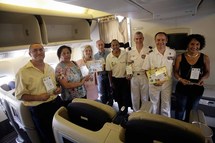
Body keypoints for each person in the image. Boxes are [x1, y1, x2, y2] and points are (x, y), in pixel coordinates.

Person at [15, 43, 63, 143]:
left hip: (56, 102)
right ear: (29, 53)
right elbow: (20, 96)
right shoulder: (22, 72)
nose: (39, 52)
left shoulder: (49, 68)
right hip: (40, 109)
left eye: (41, 50)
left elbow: (55, 85)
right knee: (48, 136)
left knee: (61, 131)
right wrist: (38, 97)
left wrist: (58, 89)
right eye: (35, 50)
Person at [174, 34, 210, 122]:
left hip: (197, 88)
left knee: (192, 110)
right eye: (192, 44)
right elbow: (175, 72)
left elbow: (207, 72)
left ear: (200, 45)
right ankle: (177, 126)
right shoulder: (180, 57)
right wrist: (180, 79)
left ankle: (189, 128)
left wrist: (202, 79)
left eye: (197, 44)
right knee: (180, 109)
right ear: (187, 44)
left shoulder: (205, 58)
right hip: (182, 87)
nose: (194, 46)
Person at [142, 32, 176, 117]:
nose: (160, 42)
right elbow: (146, 70)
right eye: (158, 40)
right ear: (155, 41)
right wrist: (153, 81)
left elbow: (175, 67)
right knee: (154, 104)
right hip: (154, 83)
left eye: (163, 40)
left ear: (166, 40)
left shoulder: (172, 52)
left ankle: (165, 123)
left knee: (166, 104)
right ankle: (154, 121)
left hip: (167, 83)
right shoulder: (150, 54)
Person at [127, 31, 150, 111]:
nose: (138, 40)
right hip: (134, 76)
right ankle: (135, 113)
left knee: (145, 96)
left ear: (143, 38)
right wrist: (129, 74)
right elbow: (129, 63)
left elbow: (150, 65)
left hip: (145, 76)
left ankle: (144, 113)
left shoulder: (148, 50)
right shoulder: (130, 51)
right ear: (134, 39)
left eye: (140, 38)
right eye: (136, 39)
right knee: (134, 96)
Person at [106, 39, 130, 114]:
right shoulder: (109, 57)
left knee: (125, 97)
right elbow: (109, 71)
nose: (115, 46)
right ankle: (121, 111)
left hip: (124, 79)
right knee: (118, 97)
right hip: (115, 80)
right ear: (111, 46)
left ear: (119, 45)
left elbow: (128, 65)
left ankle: (125, 112)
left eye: (116, 44)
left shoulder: (125, 54)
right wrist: (111, 82)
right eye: (113, 45)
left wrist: (129, 75)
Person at [94, 39, 113, 105]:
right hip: (100, 75)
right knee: (102, 92)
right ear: (96, 46)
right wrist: (96, 80)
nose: (100, 46)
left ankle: (111, 105)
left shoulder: (109, 53)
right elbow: (95, 69)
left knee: (110, 91)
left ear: (104, 45)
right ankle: (104, 105)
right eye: (99, 45)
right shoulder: (95, 56)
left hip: (108, 74)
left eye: (101, 44)